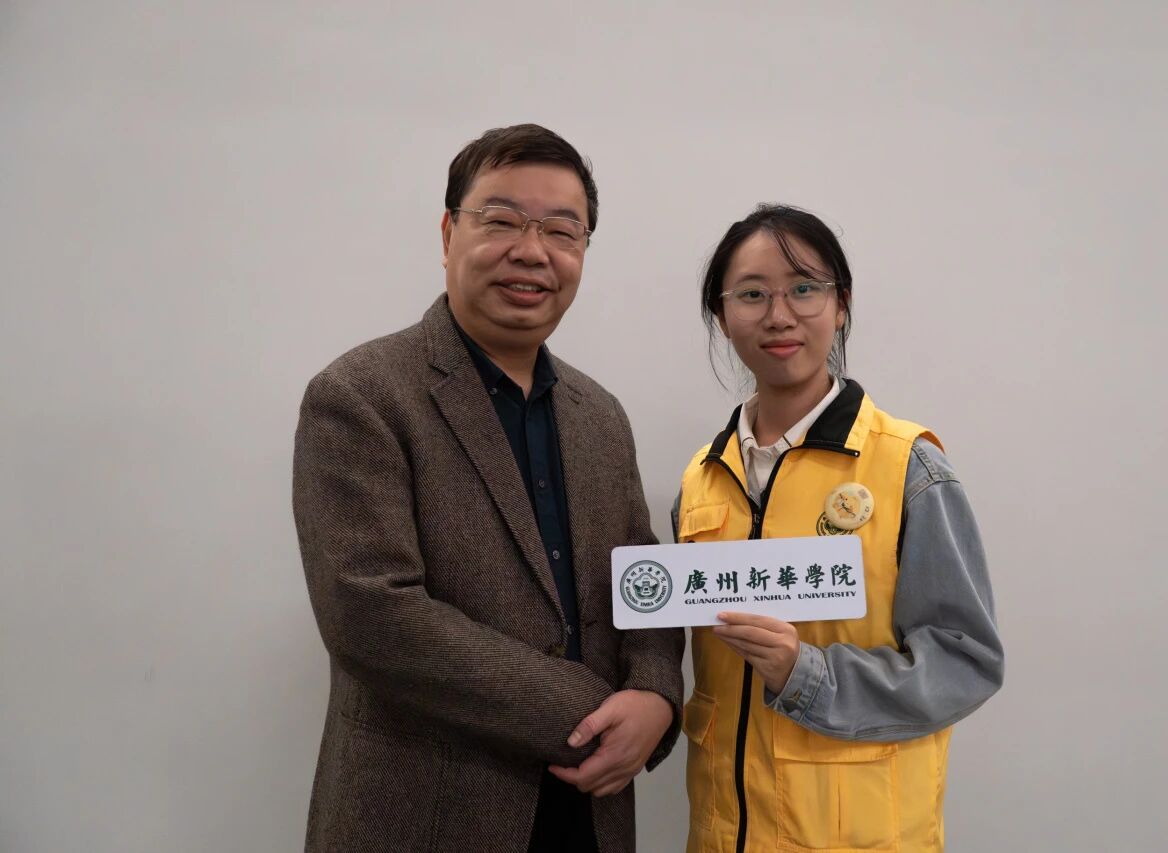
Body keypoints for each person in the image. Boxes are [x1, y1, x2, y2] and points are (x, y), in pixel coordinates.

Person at [292, 123, 684, 853]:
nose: (532, 251)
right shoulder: (360, 394)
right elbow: (371, 615)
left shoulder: (600, 415)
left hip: (588, 817)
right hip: (428, 812)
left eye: (561, 231)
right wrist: (593, 712)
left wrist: (657, 693)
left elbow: (644, 577)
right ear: (448, 234)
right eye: (502, 220)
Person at [673, 204, 1004, 852]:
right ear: (722, 313)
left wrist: (808, 675)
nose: (779, 315)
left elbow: (965, 661)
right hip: (722, 836)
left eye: (804, 289)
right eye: (752, 294)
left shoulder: (909, 466)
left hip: (859, 835)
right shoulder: (701, 477)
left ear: (841, 304)